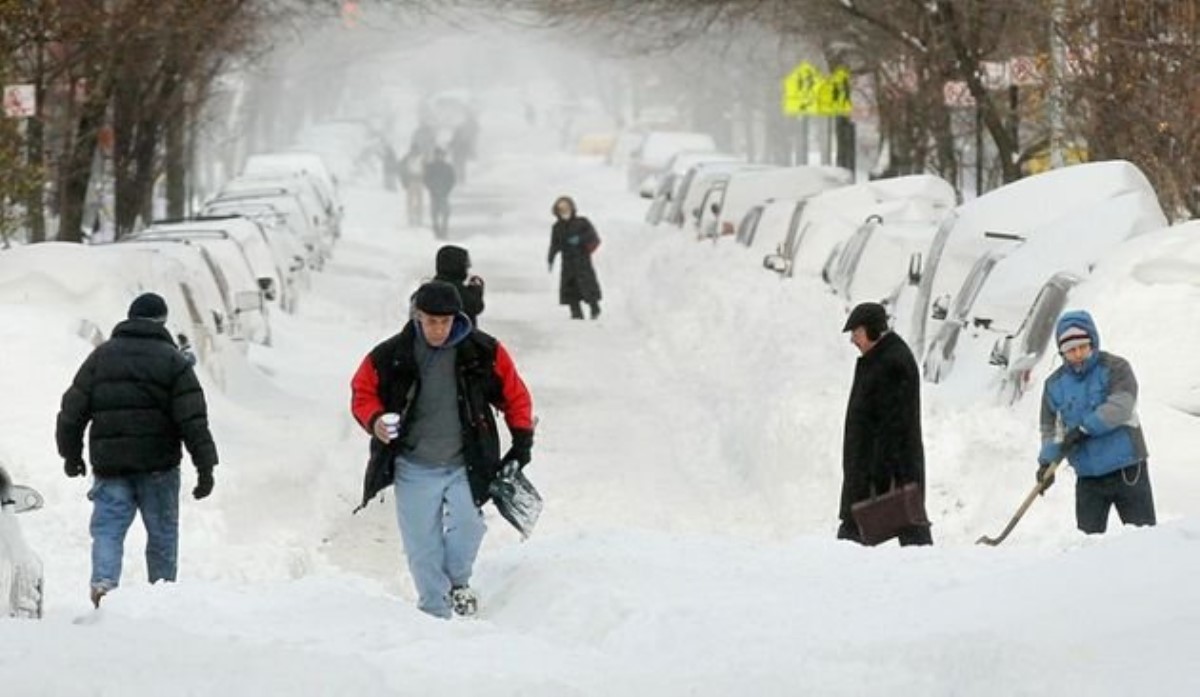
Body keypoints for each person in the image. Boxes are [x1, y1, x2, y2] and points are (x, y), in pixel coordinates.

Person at [350, 281, 534, 619]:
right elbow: (363, 392)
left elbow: (514, 394)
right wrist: (376, 420)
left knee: (470, 525)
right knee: (422, 545)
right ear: (417, 316)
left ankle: (457, 583)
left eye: (445, 322)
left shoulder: (484, 352)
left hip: (466, 462)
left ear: (457, 318)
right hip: (413, 464)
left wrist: (522, 442)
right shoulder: (391, 355)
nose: (438, 329)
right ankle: (434, 610)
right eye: (431, 321)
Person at [55, 292, 218, 608]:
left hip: (110, 466)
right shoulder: (174, 362)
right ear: (162, 321)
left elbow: (71, 411)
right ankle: (161, 593)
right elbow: (193, 420)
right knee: (162, 535)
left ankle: (103, 584)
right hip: (159, 467)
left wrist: (71, 455)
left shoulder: (101, 357)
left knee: (107, 530)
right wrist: (205, 468)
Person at [1037, 310, 1155, 534]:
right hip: (1088, 478)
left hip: (1127, 470)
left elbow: (1121, 406)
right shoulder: (1054, 385)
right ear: (1062, 352)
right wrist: (1047, 464)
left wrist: (1084, 428)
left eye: (1083, 346)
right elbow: (1051, 429)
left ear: (1093, 342)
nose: (1079, 354)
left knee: (1145, 538)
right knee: (1087, 546)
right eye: (1071, 350)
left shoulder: (1115, 368)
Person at [838, 302, 932, 546]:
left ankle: (929, 570)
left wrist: (879, 476)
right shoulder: (882, 357)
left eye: (855, 333)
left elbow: (894, 426)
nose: (853, 340)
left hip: (884, 469)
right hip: (876, 469)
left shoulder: (892, 363)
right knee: (908, 527)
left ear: (872, 330)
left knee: (899, 524)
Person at [547, 196, 602, 320]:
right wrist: (550, 258)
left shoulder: (582, 222)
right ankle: (576, 313)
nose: (564, 211)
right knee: (570, 289)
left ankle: (595, 308)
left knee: (587, 286)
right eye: (561, 209)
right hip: (567, 263)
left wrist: (580, 240)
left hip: (582, 261)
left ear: (572, 208)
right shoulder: (557, 227)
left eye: (566, 208)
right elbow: (554, 244)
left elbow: (593, 237)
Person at [434, 244, 485, 327]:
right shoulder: (453, 289)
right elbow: (475, 306)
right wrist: (476, 290)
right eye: (465, 266)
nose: (467, 270)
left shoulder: (432, 285)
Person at [423, 148, 456, 239]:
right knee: (434, 214)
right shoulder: (430, 167)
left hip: (444, 193)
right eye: (437, 155)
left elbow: (452, 180)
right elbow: (426, 179)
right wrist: (431, 188)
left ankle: (444, 231)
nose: (439, 157)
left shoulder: (448, 167)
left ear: (443, 156)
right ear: (435, 156)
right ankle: (436, 231)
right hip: (434, 193)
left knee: (445, 213)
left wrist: (447, 190)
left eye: (441, 155)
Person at [398, 146, 425, 227]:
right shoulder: (407, 158)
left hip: (419, 181)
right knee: (410, 201)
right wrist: (404, 180)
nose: (415, 151)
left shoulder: (422, 158)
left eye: (416, 150)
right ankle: (410, 218)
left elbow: (426, 169)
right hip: (411, 181)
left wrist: (426, 179)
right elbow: (401, 168)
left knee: (419, 201)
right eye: (413, 150)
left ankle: (419, 218)